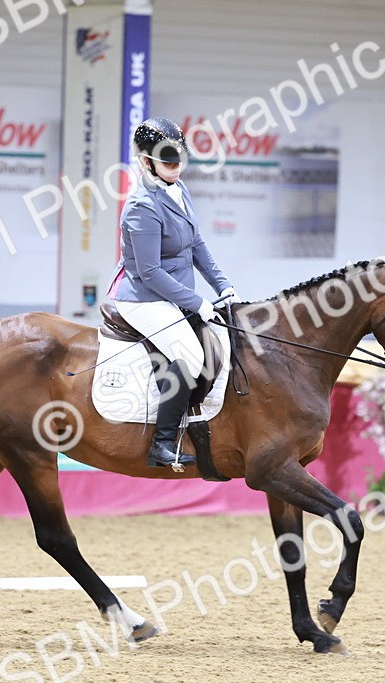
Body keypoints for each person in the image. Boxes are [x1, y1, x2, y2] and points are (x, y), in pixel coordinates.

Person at [109, 117, 241, 468]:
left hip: (175, 294)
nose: (176, 166)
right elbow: (150, 272)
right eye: (168, 161)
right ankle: (162, 443)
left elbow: (195, 242)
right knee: (189, 356)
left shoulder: (179, 190)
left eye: (179, 159)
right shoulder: (141, 207)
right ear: (146, 162)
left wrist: (222, 285)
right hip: (144, 298)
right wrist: (196, 301)